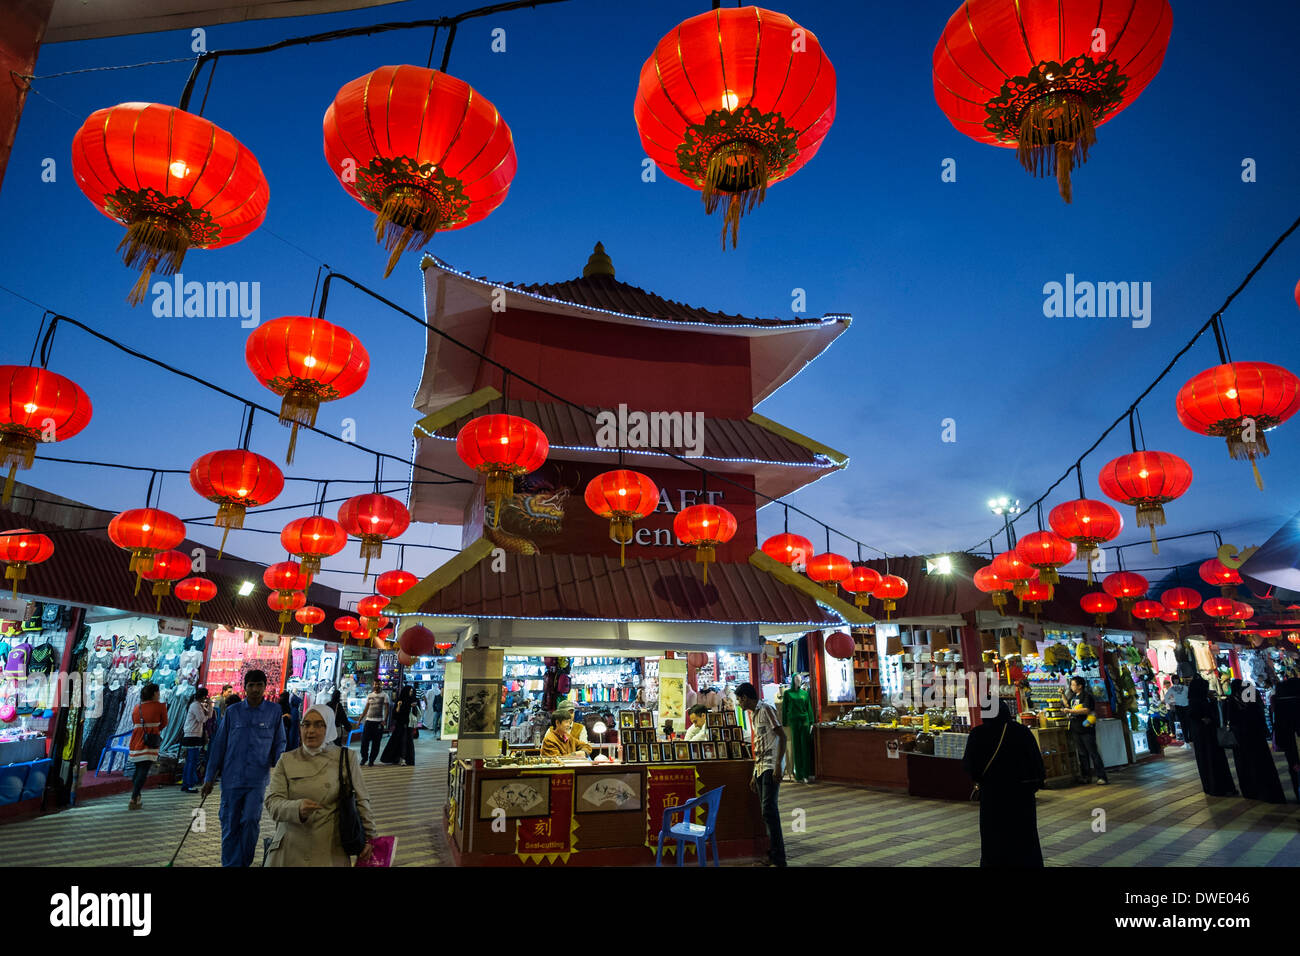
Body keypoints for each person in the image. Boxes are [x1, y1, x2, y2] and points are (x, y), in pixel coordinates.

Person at [264, 704, 377, 866]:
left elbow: (362, 800)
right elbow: (272, 803)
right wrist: (297, 808)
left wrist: (370, 838)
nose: (310, 731)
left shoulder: (345, 758)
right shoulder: (286, 760)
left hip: (329, 851)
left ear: (329, 727)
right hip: (289, 850)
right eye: (306, 724)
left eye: (319, 725)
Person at [201, 670, 286, 867]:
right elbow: (219, 746)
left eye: (259, 685)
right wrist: (209, 777)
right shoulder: (233, 712)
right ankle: (231, 864)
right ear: (245, 687)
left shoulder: (274, 712)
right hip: (231, 780)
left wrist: (282, 773)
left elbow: (280, 743)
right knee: (230, 824)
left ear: (265, 687)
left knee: (249, 821)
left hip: (257, 781)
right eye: (251, 685)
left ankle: (244, 862)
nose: (255, 689)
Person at [962, 700, 1046, 867]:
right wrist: (1031, 787)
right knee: (1024, 836)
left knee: (994, 837)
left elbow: (969, 766)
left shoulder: (978, 734)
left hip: (993, 796)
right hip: (1021, 796)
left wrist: (982, 782)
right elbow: (1037, 765)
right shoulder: (1022, 732)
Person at [736, 682, 786, 867]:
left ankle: (779, 858)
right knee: (766, 813)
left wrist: (779, 766)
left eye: (739, 699)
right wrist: (753, 773)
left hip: (771, 766)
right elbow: (760, 742)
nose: (739, 704)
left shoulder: (766, 709)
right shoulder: (753, 714)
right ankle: (772, 853)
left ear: (745, 698)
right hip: (760, 767)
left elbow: (782, 736)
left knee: (769, 811)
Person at [1225, 679, 1286, 803]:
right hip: (1256, 739)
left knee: (1247, 765)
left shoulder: (1231, 701)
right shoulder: (1250, 699)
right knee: (1261, 765)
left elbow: (1231, 719)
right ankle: (1266, 791)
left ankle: (1252, 791)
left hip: (1242, 740)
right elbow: (1259, 715)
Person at [1178, 676, 1237, 797]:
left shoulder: (1197, 702)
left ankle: (1216, 787)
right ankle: (1217, 787)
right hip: (1206, 737)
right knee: (1211, 760)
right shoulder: (1197, 703)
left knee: (1211, 761)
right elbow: (1205, 718)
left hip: (1206, 737)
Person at [126, 682, 168, 810]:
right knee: (143, 770)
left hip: (136, 739)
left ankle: (136, 796)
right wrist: (154, 729)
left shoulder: (136, 708)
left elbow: (134, 721)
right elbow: (164, 723)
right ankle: (134, 798)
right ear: (154, 693)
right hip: (150, 740)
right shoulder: (160, 706)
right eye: (158, 692)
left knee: (139, 768)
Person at [1065, 676, 1108, 785]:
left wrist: (1071, 711)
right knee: (1082, 754)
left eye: (1073, 684)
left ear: (1080, 686)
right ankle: (1086, 776)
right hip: (1075, 728)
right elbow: (1067, 705)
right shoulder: (1073, 696)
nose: (1071, 687)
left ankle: (1101, 776)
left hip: (1086, 729)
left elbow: (1086, 710)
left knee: (1093, 752)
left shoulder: (1087, 696)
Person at [1271, 677, 1300, 803]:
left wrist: (1280, 743)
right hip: (1293, 740)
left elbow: (1278, 725)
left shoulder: (1280, 703)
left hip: (1290, 743)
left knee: (1295, 770)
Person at [782, 674, 815, 783]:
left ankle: (806, 773)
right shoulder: (787, 693)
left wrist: (811, 721)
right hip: (794, 721)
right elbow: (784, 708)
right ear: (792, 680)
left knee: (805, 747)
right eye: (796, 679)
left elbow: (808, 707)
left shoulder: (804, 693)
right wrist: (784, 722)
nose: (798, 681)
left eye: (800, 679)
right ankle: (799, 774)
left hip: (804, 721)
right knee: (796, 747)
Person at [180, 687, 212, 793]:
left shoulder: (198, 705)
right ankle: (188, 784)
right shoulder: (195, 706)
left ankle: (186, 783)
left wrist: (210, 705)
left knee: (191, 761)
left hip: (194, 735)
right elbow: (202, 719)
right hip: (192, 735)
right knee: (192, 761)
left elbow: (209, 715)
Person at [379, 687, 417, 766]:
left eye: (412, 691)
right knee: (401, 741)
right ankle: (401, 758)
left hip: (409, 725)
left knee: (407, 742)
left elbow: (415, 713)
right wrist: (400, 706)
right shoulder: (401, 701)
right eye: (410, 691)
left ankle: (405, 759)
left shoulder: (413, 701)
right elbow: (396, 714)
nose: (411, 693)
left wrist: (412, 707)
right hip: (401, 724)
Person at [359, 684, 389, 767]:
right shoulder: (370, 695)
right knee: (364, 741)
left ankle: (371, 760)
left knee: (376, 743)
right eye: (375, 684)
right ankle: (364, 758)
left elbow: (387, 709)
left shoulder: (385, 695)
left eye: (378, 684)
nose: (376, 685)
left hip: (379, 722)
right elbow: (366, 708)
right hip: (368, 721)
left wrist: (385, 720)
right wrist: (361, 718)